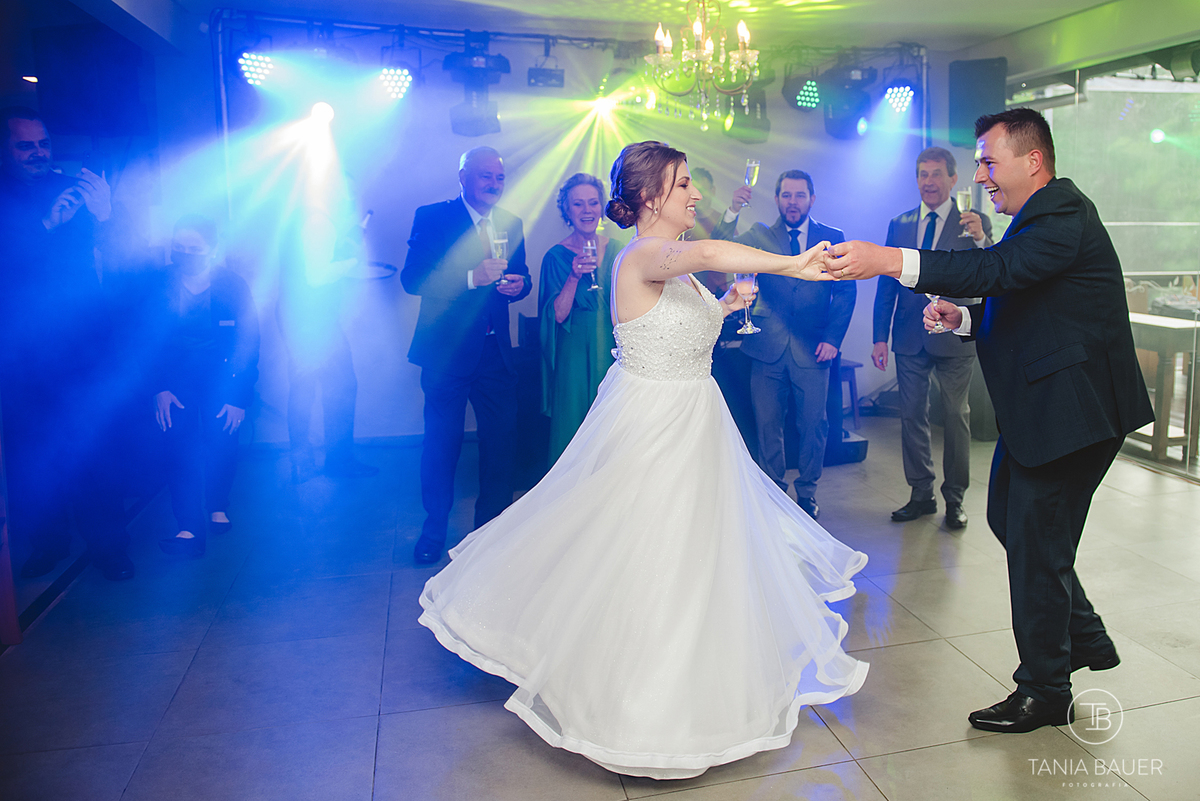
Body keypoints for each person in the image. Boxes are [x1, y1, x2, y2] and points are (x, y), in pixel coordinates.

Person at [419, 141, 867, 780]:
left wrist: (729, 306)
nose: (695, 194)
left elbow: (690, 312)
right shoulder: (643, 253)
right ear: (651, 196)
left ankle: (693, 691)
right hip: (654, 423)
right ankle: (635, 711)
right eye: (683, 184)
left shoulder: (673, 266)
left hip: (696, 420)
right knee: (649, 554)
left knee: (697, 557)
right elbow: (711, 252)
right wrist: (793, 265)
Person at [824, 108, 1154, 734]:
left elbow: (998, 273)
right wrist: (967, 321)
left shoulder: (1061, 213)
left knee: (1034, 540)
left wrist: (891, 259)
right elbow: (1029, 305)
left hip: (1075, 412)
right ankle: (1078, 636)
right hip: (1048, 408)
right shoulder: (1036, 219)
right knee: (1010, 518)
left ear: (1032, 161)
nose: (980, 175)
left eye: (987, 161)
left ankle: (1046, 689)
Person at [0, 106, 133, 582]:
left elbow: (117, 258)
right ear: (7, 148)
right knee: (34, 453)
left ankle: (108, 546)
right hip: (24, 353)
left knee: (96, 446)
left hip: (82, 344)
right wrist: (47, 227)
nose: (37, 154)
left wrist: (107, 215)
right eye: (25, 146)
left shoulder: (70, 185)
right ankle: (47, 543)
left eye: (42, 144)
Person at [403, 147, 531, 565]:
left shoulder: (511, 223)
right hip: (446, 353)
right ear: (463, 178)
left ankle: (488, 534)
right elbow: (413, 278)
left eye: (499, 177)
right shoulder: (434, 217)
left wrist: (518, 286)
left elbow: (523, 277)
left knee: (501, 444)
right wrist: (472, 277)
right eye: (485, 177)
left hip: (495, 352)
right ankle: (433, 530)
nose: (495, 184)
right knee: (442, 443)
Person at [711, 170, 855, 519]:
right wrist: (731, 211)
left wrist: (833, 340)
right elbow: (718, 249)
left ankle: (808, 492)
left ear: (812, 199)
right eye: (786, 195)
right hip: (766, 348)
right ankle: (773, 491)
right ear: (777, 199)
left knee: (813, 426)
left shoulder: (831, 237)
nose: (793, 202)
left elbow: (846, 290)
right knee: (767, 425)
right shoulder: (759, 235)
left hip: (814, 349)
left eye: (799, 195)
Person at [872, 146, 993, 529]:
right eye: (923, 174)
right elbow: (886, 285)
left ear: (953, 179)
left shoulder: (973, 222)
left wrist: (982, 240)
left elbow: (992, 269)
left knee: (956, 416)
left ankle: (955, 498)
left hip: (954, 335)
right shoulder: (900, 223)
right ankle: (920, 493)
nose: (929, 181)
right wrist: (880, 336)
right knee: (912, 416)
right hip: (909, 335)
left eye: (937, 174)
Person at [150, 215, 259, 558]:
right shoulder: (159, 284)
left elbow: (249, 342)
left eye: (193, 249)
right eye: (177, 248)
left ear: (212, 250)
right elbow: (146, 343)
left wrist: (240, 396)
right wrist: (159, 387)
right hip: (175, 382)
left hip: (222, 380)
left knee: (222, 442)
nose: (184, 254)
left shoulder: (232, 285)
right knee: (178, 449)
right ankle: (187, 527)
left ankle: (218, 506)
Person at [277, 205, 378, 482]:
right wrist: (350, 264)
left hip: (301, 318)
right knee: (337, 389)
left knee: (307, 392)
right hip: (310, 321)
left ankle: (307, 465)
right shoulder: (320, 222)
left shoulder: (311, 219)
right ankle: (336, 464)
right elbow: (317, 276)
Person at [538, 173, 617, 464]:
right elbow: (557, 316)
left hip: (612, 351)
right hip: (573, 357)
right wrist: (574, 276)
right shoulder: (555, 257)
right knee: (575, 430)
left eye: (593, 203)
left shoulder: (619, 251)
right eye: (578, 204)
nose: (587, 211)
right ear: (567, 211)